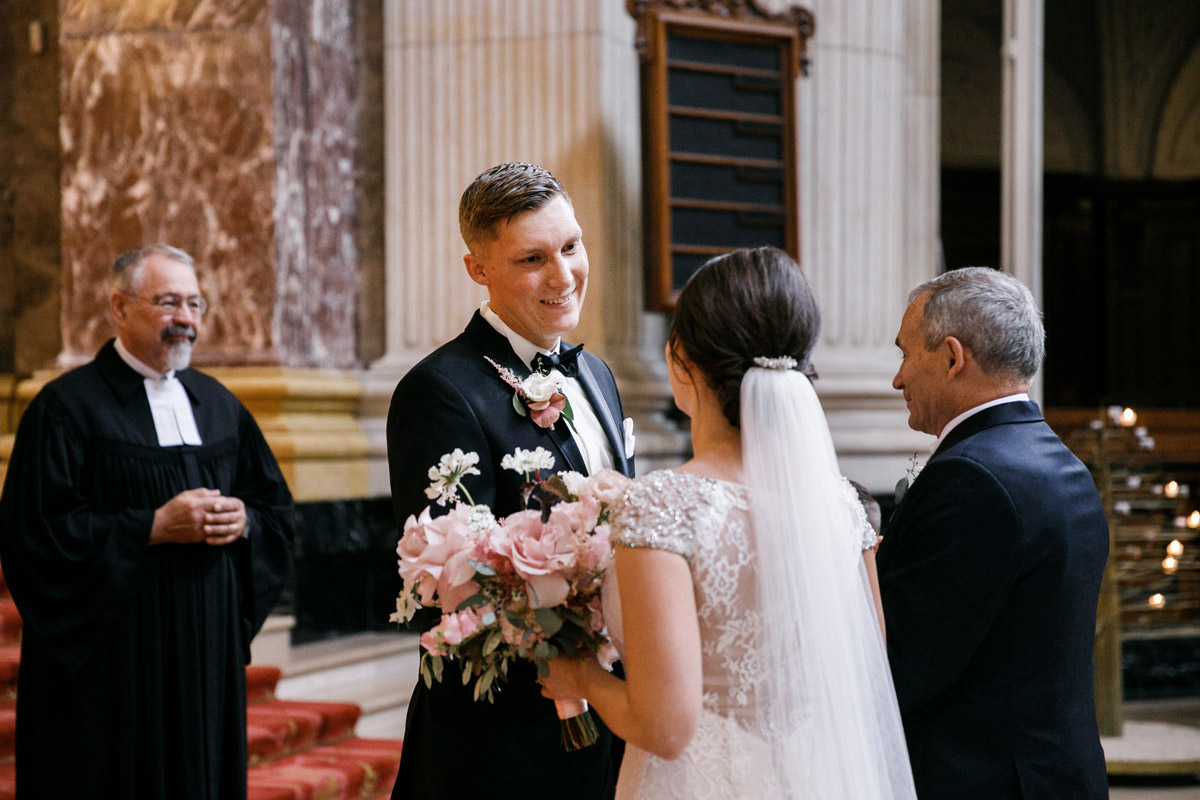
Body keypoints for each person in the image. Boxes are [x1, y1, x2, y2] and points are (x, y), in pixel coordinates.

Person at [540, 246, 916, 799]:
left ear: (679, 361)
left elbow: (665, 729)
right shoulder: (844, 509)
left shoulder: (662, 507)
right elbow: (863, 672)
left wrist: (580, 678)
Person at [0, 243, 294, 799]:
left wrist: (246, 520)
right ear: (119, 307)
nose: (185, 318)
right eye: (167, 302)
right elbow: (35, 537)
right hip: (112, 673)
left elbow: (274, 508)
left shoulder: (220, 405)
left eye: (194, 304)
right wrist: (151, 526)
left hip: (204, 661)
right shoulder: (65, 409)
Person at [386, 162, 635, 800]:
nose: (564, 276)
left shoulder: (598, 376)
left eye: (572, 247)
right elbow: (455, 583)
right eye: (533, 259)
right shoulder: (439, 392)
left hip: (605, 711)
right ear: (478, 269)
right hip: (502, 740)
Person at [877, 267, 1109, 799]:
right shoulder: (1061, 463)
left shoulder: (971, 478)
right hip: (1056, 773)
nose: (897, 379)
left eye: (905, 354)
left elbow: (905, 664)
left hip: (985, 782)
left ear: (953, 357)